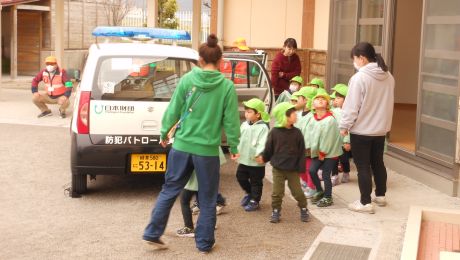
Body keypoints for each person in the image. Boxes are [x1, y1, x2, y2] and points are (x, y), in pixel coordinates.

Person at [142, 34, 241, 253]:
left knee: (169, 190)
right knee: (206, 197)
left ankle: (152, 233)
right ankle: (204, 243)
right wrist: (234, 147)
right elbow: (231, 122)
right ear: (220, 61)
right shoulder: (226, 86)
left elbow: (173, 109)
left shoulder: (187, 80)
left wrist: (164, 133)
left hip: (182, 146)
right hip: (206, 151)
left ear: (200, 59)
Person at [340, 42, 394, 214]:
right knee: (378, 162)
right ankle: (380, 196)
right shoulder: (388, 76)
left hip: (362, 130)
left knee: (363, 166)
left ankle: (365, 202)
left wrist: (344, 126)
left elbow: (351, 106)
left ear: (361, 58)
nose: (354, 62)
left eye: (354, 59)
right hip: (380, 130)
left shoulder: (359, 78)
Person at [256, 102, 310, 223]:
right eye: (293, 113)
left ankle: (304, 208)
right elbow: (269, 149)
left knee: (298, 192)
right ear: (284, 116)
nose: (296, 115)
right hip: (278, 168)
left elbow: (301, 152)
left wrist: (301, 169)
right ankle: (276, 211)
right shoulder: (274, 132)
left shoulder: (297, 133)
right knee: (277, 192)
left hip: (293, 169)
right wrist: (264, 158)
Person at [177, 148, 228, 238]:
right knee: (206, 202)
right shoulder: (213, 138)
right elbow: (220, 160)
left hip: (191, 180)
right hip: (207, 179)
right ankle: (210, 225)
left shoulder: (189, 138)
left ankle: (188, 227)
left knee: (184, 200)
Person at [307, 93, 343, 207]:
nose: (321, 100)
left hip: (330, 152)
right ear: (313, 105)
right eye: (317, 99)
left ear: (328, 104)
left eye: (323, 99)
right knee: (312, 170)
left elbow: (328, 139)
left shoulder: (330, 120)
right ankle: (319, 190)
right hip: (318, 152)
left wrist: (322, 152)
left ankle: (328, 197)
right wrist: (308, 147)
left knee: (326, 174)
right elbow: (310, 135)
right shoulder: (312, 119)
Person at [236, 98, 270, 212]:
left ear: (258, 114)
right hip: (244, 159)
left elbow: (263, 142)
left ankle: (255, 200)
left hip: (256, 161)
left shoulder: (263, 127)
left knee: (256, 182)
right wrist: (235, 150)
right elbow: (239, 139)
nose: (246, 114)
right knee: (240, 176)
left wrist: (259, 154)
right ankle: (250, 193)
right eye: (246, 111)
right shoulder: (244, 125)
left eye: (249, 111)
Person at [330, 84, 352, 185]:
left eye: (338, 98)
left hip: (344, 141)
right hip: (335, 140)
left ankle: (346, 172)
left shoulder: (350, 113)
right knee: (334, 159)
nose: (336, 100)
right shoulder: (334, 111)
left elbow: (349, 128)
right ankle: (334, 176)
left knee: (344, 159)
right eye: (335, 98)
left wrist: (347, 141)